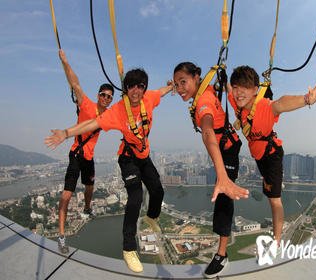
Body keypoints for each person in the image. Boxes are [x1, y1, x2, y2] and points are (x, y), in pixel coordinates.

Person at [46, 68, 173, 273]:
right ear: (126, 88)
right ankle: (129, 249)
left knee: (158, 190)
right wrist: (67, 133)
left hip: (144, 156)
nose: (136, 91)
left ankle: (151, 218)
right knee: (135, 197)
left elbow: (162, 91)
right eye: (131, 86)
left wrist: (172, 86)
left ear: (144, 89)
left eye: (141, 86)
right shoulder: (117, 110)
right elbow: (91, 123)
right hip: (128, 157)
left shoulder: (149, 98)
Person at [228, 65, 316, 257]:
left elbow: (282, 103)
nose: (239, 92)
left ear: (255, 90)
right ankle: (272, 182)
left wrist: (308, 99)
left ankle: (276, 243)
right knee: (268, 190)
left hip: (272, 155)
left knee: (274, 200)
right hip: (259, 156)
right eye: (236, 87)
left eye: (245, 87)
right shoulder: (236, 102)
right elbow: (227, 88)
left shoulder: (265, 107)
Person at [173, 62, 249, 278]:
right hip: (224, 146)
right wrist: (175, 84)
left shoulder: (203, 102)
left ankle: (221, 255)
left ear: (197, 77)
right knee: (223, 196)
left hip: (227, 150)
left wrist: (222, 176)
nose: (180, 89)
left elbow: (207, 132)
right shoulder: (204, 89)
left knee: (224, 200)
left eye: (183, 82)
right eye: (177, 85)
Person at [56, 50, 114, 254]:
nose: (106, 98)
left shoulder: (108, 116)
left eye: (109, 97)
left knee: (90, 188)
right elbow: (75, 83)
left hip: (89, 158)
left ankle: (87, 207)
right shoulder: (86, 104)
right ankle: (62, 237)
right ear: (98, 95)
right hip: (76, 155)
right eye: (104, 95)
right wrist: (65, 62)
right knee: (66, 195)